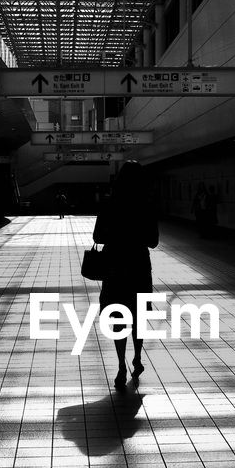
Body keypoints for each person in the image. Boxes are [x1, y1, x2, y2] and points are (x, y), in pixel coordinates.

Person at [93, 161, 159, 390]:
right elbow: (154, 241)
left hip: (115, 267)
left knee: (118, 317)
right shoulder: (146, 205)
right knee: (138, 314)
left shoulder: (109, 204)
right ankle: (137, 358)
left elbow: (98, 236)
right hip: (139, 266)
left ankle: (121, 365)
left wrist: (116, 234)